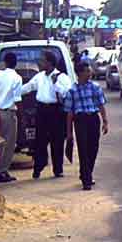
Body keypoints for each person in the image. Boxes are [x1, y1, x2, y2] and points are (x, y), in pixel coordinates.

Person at [21, 51, 72, 179]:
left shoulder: (61, 77)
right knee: (40, 141)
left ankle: (58, 169)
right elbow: (28, 87)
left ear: (49, 63)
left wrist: (56, 83)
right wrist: (12, 91)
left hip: (56, 111)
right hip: (42, 111)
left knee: (57, 141)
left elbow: (67, 93)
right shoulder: (40, 76)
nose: (40, 62)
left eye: (42, 60)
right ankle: (39, 166)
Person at [64, 62, 108, 191]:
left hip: (93, 119)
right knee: (83, 149)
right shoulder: (72, 91)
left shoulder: (95, 87)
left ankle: (86, 173)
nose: (90, 73)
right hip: (80, 120)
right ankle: (86, 180)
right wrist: (69, 133)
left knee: (93, 148)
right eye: (87, 71)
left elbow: (101, 105)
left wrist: (105, 121)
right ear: (80, 73)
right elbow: (69, 114)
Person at [0, 53, 23, 183]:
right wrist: (21, 117)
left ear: (4, 62)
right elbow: (17, 100)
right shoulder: (17, 78)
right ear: (16, 63)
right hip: (8, 113)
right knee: (8, 143)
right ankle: (0, 170)